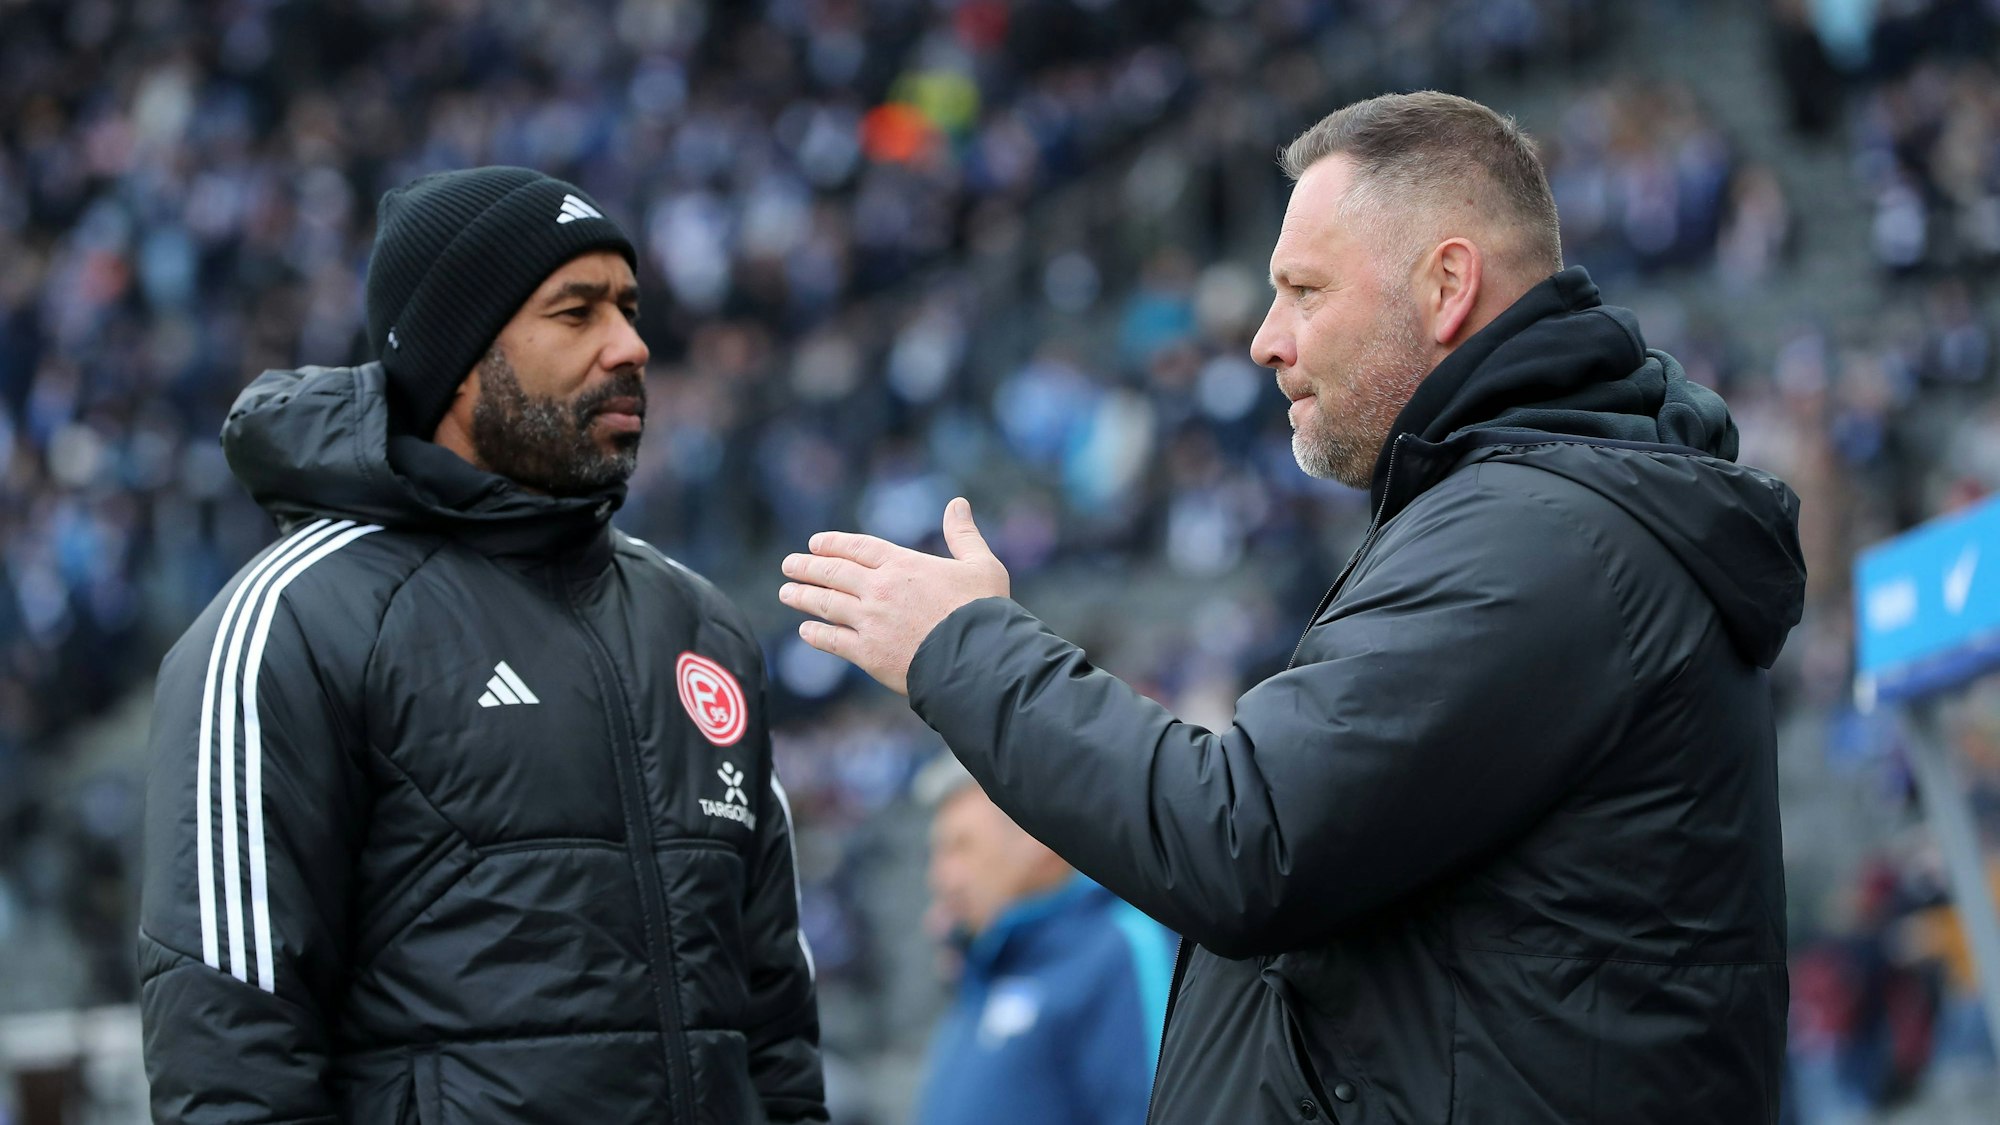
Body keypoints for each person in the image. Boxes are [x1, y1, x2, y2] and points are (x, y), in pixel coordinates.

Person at [778, 91, 1806, 1122]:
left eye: (1302, 290)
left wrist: (962, 649)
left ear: (1446, 284)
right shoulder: (1519, 517)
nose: (1265, 340)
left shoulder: (1540, 539)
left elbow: (1242, 839)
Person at [138, 167, 825, 1124]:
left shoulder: (698, 625)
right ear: (459, 359)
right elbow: (229, 1051)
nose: (631, 345)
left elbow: (776, 1033)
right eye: (575, 312)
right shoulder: (293, 621)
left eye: (629, 307)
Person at [910, 754, 1174, 1125]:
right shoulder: (988, 962)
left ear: (1036, 837)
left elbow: (1155, 1110)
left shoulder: (1121, 946)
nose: (941, 878)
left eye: (961, 847)